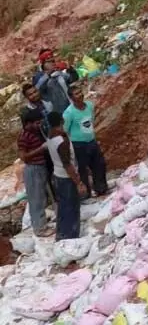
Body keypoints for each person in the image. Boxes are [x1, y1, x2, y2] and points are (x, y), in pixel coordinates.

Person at [44, 113, 87, 241]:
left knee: (63, 207)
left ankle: (61, 234)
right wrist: (78, 182)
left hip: (57, 176)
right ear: (62, 121)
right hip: (66, 178)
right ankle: (71, 237)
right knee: (72, 207)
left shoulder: (50, 137)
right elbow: (67, 164)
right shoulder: (62, 141)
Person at [63, 83, 108, 198]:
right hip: (79, 144)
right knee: (83, 169)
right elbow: (65, 130)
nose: (80, 95)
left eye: (80, 92)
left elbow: (91, 120)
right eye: (76, 94)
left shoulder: (89, 105)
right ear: (71, 98)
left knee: (99, 164)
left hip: (91, 140)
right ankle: (86, 193)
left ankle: (101, 188)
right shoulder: (69, 113)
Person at [18, 108, 53, 237]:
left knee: (42, 198)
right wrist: (41, 149)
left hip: (41, 167)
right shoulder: (24, 136)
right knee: (36, 199)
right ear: (28, 123)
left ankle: (41, 223)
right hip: (33, 169)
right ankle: (40, 229)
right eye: (37, 123)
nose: (39, 125)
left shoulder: (37, 132)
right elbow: (23, 156)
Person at [34, 50, 75, 115]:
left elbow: (73, 78)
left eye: (53, 61)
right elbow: (37, 90)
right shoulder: (38, 76)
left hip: (71, 107)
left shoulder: (58, 72)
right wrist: (48, 73)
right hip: (55, 112)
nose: (52, 63)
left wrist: (69, 68)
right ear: (43, 63)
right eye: (49, 62)